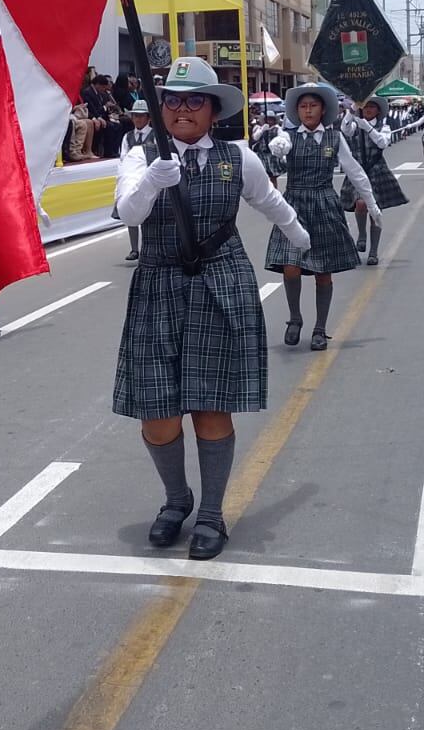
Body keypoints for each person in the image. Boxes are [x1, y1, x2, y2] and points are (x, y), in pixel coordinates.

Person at [113, 57, 309, 561]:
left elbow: (269, 201)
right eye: (173, 100)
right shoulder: (141, 155)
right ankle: (177, 500)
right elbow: (128, 212)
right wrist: (155, 180)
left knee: (210, 406)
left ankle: (211, 513)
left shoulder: (237, 157)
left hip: (220, 281)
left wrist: (297, 234)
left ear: (213, 109)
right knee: (157, 413)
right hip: (158, 284)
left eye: (193, 100)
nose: (181, 109)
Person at [266, 83, 380, 351]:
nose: (308, 111)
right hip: (294, 205)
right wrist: (277, 147)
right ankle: (294, 318)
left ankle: (320, 328)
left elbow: (355, 171)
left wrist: (373, 205)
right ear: (296, 111)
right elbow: (276, 153)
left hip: (324, 204)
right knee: (290, 265)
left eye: (313, 106)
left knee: (323, 272)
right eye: (303, 106)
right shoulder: (288, 136)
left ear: (323, 110)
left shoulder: (334, 137)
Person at [338, 96, 405, 266]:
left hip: (376, 170)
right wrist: (351, 112)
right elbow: (345, 130)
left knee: (376, 212)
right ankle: (362, 234)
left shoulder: (384, 126)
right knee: (360, 203)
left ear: (377, 110)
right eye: (365, 106)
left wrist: (367, 127)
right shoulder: (356, 124)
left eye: (371, 107)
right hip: (358, 170)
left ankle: (373, 252)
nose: (368, 109)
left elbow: (382, 143)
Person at [117, 99, 153, 261]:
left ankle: (149, 247)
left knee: (150, 215)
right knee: (130, 211)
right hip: (133, 177)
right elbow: (123, 157)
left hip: (150, 178)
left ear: (148, 117)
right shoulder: (128, 137)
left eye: (141, 116)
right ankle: (134, 249)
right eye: (135, 116)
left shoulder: (155, 135)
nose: (137, 119)